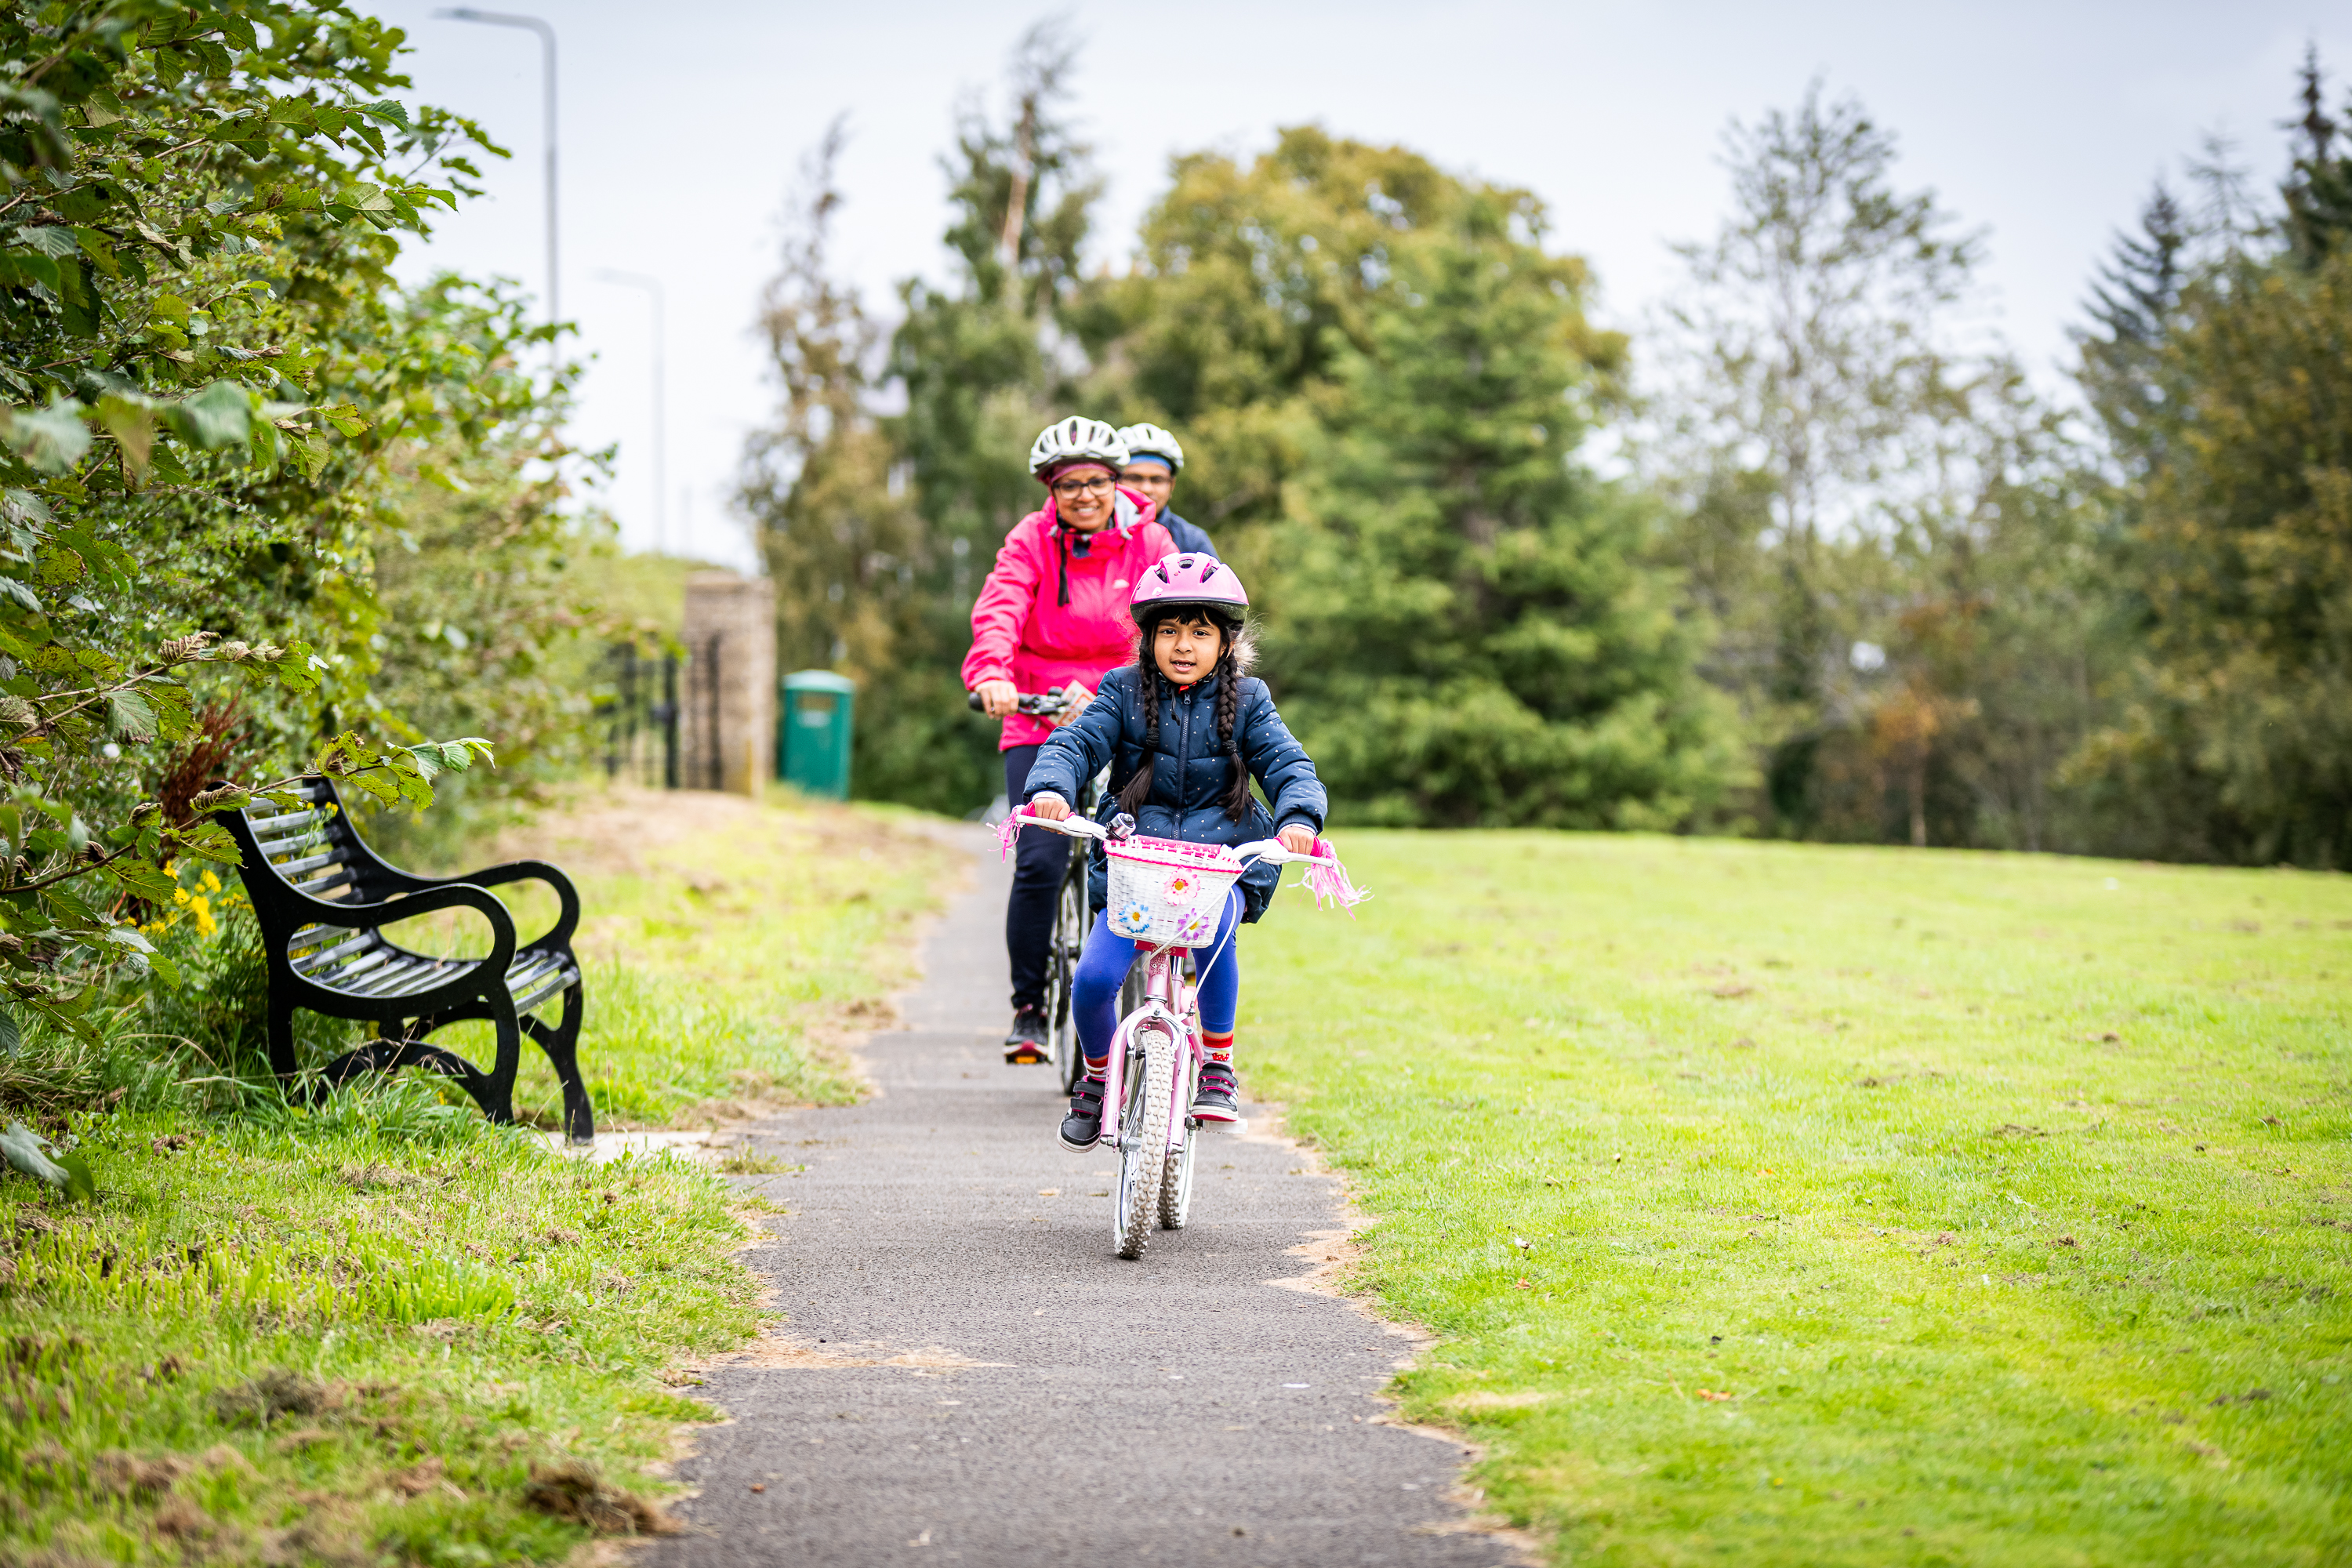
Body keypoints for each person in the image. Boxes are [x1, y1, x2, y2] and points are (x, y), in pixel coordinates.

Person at [1017, 554, 1327, 1149]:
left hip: (1220, 859)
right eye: (1169, 630)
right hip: (1139, 861)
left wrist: (1298, 819)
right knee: (1093, 979)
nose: (1183, 645)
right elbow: (1076, 742)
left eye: (1200, 632)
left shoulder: (1250, 700)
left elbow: (1290, 766)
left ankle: (1217, 1062)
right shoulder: (1123, 691)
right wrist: (1053, 788)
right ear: (1149, 638)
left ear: (1227, 643)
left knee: (1215, 938)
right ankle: (1098, 1076)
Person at [964, 416, 1178, 1062]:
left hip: (1120, 704)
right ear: (1050, 491)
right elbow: (1001, 606)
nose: (1085, 495)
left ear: (1116, 482)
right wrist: (993, 674)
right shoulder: (1029, 540)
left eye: (1097, 482)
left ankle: (1161, 986)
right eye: (1069, 485)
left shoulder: (1152, 541)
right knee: (1039, 860)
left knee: (1152, 843)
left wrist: (1135, 689)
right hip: (1037, 710)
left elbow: (1165, 619)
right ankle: (1030, 1008)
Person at [1116, 423, 1217, 560]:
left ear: (1172, 485)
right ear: (1116, 482)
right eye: (1134, 478)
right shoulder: (1091, 534)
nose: (1146, 489)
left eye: (1157, 480)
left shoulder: (1193, 542)